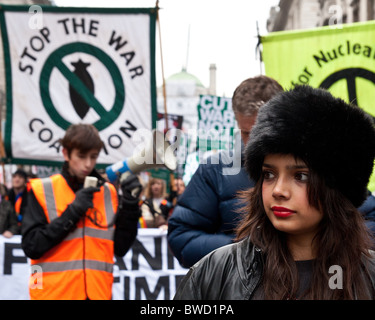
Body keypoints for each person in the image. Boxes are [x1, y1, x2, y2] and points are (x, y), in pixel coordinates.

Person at [174, 85, 375, 300]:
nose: (278, 191)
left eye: (300, 176)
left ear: (337, 188)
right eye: (269, 174)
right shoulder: (214, 273)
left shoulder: (369, 276)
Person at [168, 75, 283, 267]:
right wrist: (242, 247)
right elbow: (182, 240)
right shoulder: (214, 170)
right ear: (237, 123)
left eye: (263, 131)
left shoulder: (317, 166)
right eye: (247, 133)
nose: (254, 142)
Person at [22, 124, 142, 300]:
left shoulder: (108, 192)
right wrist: (73, 211)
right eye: (81, 156)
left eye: (93, 157)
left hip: (98, 294)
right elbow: (32, 247)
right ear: (66, 154)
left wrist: (131, 206)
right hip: (52, 294)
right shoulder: (42, 189)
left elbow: (120, 248)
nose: (88, 164)